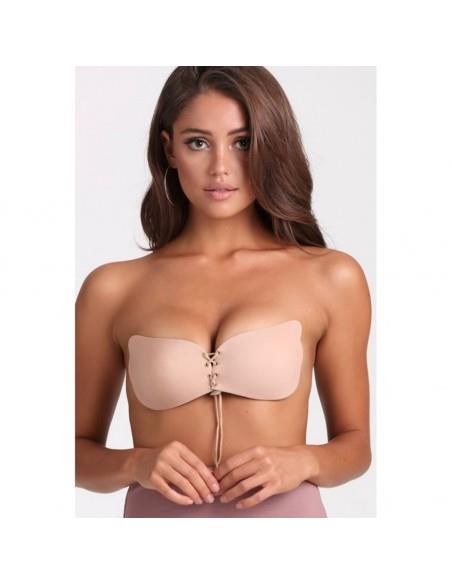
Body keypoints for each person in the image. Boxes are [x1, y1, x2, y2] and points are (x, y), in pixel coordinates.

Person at [75, 66, 372, 517]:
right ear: (169, 149)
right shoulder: (112, 289)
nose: (220, 167)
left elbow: (356, 446)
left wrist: (305, 460)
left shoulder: (331, 277)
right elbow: (74, 453)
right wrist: (136, 463)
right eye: (198, 142)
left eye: (243, 142)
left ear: (271, 145)